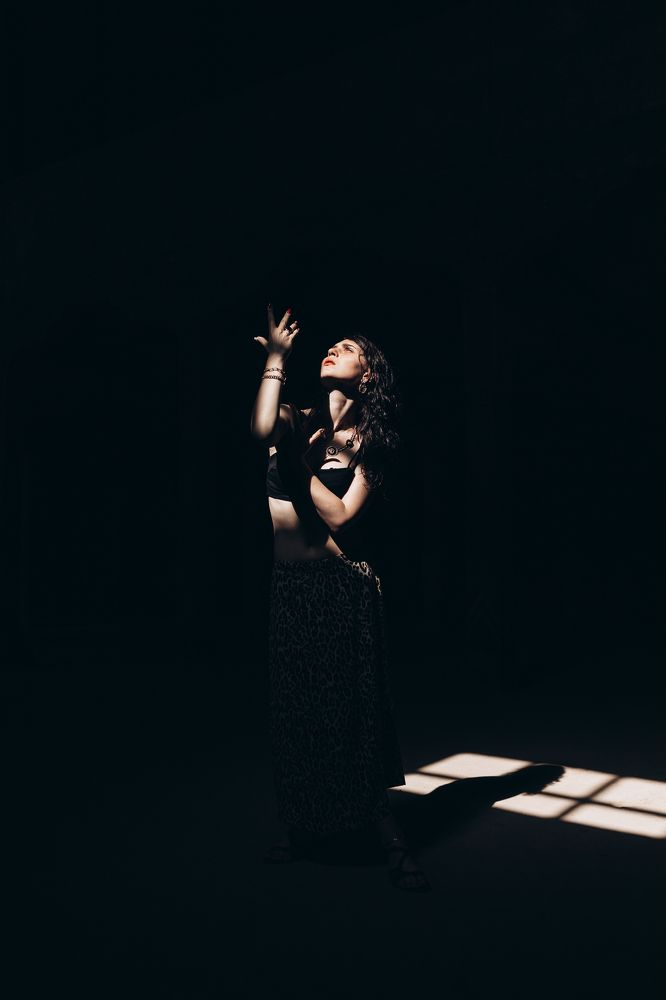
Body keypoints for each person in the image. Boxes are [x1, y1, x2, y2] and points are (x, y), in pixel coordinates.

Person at [250, 304, 430, 892]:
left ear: (368, 373)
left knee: (353, 716)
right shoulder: (294, 416)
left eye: (348, 348)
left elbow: (343, 516)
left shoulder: (372, 442)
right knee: (296, 710)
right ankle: (300, 823)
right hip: (290, 585)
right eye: (332, 346)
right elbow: (260, 431)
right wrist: (277, 360)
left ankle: (390, 837)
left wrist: (299, 467)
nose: (334, 349)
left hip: (343, 584)